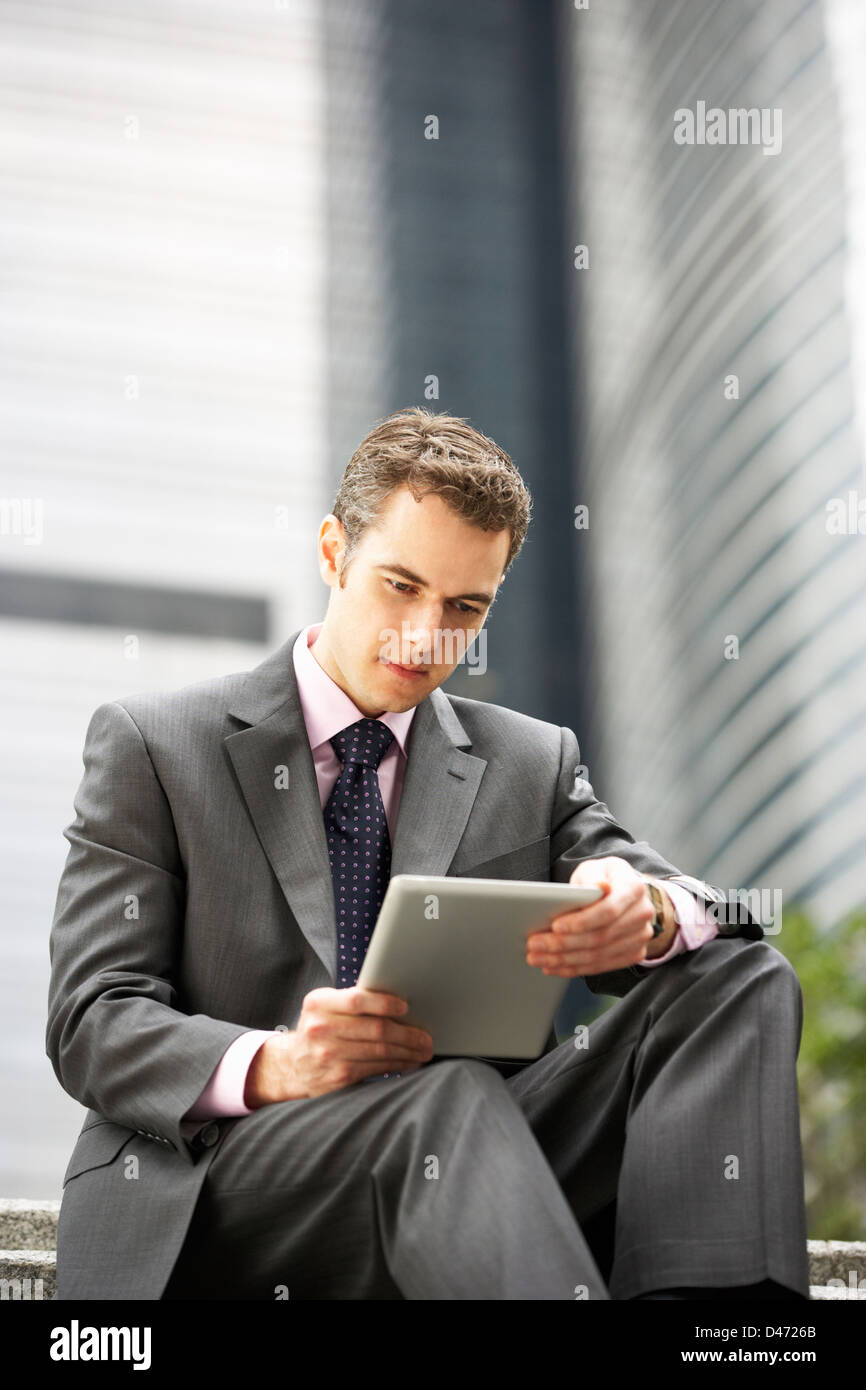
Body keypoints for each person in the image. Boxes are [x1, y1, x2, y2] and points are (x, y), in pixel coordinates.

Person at [46, 407, 810, 1300]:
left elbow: (723, 908)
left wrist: (648, 914)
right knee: (448, 1095)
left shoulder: (530, 761)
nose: (424, 636)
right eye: (400, 585)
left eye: (464, 607)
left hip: (478, 1170)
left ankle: (725, 1336)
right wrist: (279, 1061)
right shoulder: (155, 745)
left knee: (739, 974)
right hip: (231, 1182)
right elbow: (91, 1019)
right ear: (333, 552)